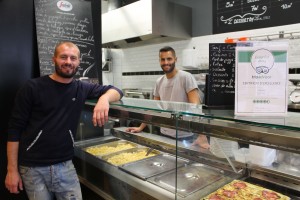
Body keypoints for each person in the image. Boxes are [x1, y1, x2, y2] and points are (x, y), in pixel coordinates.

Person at [5, 41, 123, 200]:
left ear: (78, 62)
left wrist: (105, 99)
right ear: (54, 59)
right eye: (63, 57)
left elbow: (117, 91)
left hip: (65, 165)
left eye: (73, 58)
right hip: (33, 168)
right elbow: (14, 130)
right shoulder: (32, 87)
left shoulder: (82, 88)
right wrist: (12, 170)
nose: (68, 62)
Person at [126, 46, 209, 149]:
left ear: (175, 59)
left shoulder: (186, 77)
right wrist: (141, 127)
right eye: (163, 59)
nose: (166, 62)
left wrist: (202, 136)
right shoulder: (159, 82)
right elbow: (154, 109)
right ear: (159, 61)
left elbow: (196, 108)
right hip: (164, 134)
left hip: (184, 136)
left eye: (169, 59)